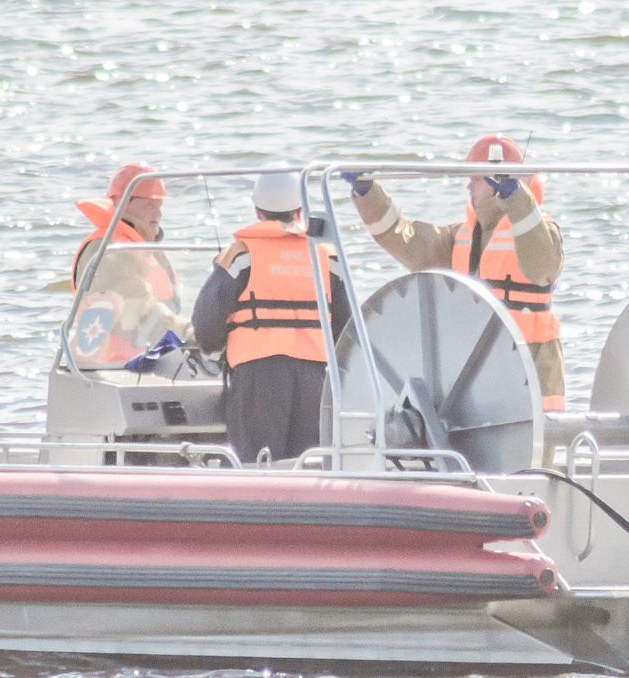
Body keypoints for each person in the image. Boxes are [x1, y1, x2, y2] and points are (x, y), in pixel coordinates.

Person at [345, 134, 564, 410]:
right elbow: (410, 243)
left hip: (529, 370)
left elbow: (542, 264)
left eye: (475, 177)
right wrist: (368, 194)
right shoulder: (462, 235)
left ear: (499, 179)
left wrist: (517, 200)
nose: (468, 184)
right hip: (477, 368)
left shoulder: (542, 231)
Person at [192, 171, 353, 465]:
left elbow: (205, 323)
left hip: (258, 378)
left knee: (257, 468)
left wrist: (213, 349)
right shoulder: (327, 257)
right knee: (309, 466)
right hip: (315, 379)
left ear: (257, 210)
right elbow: (348, 328)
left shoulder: (242, 255)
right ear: (300, 210)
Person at [69, 163, 192, 368]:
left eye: (159, 205)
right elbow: (139, 308)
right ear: (122, 204)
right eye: (149, 205)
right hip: (115, 370)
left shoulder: (144, 247)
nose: (157, 213)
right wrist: (186, 331)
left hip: (154, 363)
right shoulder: (109, 250)